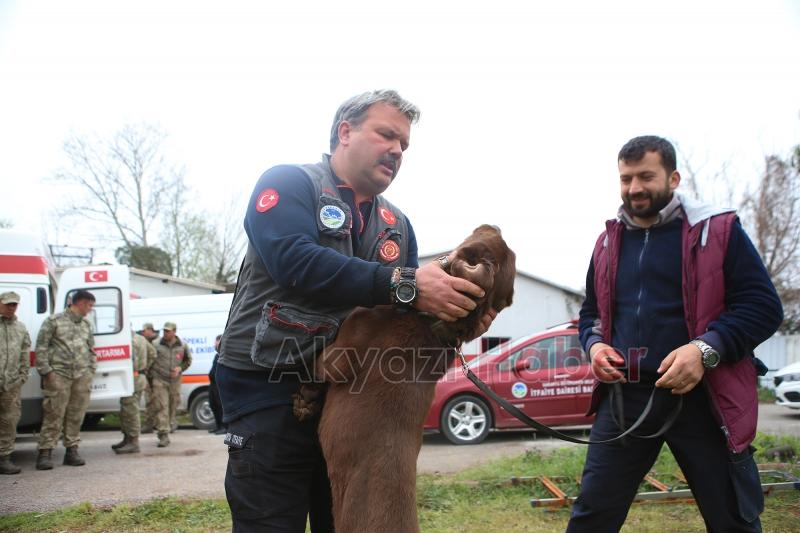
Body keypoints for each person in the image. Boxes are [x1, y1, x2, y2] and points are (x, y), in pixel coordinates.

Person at [217, 89, 494, 532]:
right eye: (387, 135)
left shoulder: (398, 226)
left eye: (404, 144)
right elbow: (294, 261)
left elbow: (403, 326)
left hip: (354, 405)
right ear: (345, 132)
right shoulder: (289, 183)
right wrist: (404, 284)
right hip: (267, 389)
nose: (397, 150)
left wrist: (458, 319)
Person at [567, 136, 783, 532]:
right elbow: (591, 315)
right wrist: (594, 346)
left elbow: (764, 308)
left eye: (646, 176)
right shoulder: (607, 242)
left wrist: (704, 350)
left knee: (733, 521)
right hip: (626, 400)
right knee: (591, 518)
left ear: (674, 178)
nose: (635, 188)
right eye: (626, 179)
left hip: (704, 397)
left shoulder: (718, 230)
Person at [35, 289, 97, 470]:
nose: (90, 309)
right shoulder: (53, 321)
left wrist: (91, 370)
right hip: (59, 375)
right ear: (81, 303)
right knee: (54, 413)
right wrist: (47, 372)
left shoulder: (86, 325)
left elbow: (91, 349)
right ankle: (45, 453)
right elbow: (41, 347)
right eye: (90, 305)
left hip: (81, 376)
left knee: (76, 414)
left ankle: (72, 451)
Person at [0, 291, 31, 475]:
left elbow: (25, 352)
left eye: (14, 304)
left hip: (11, 384)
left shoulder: (20, 328)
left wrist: (23, 376)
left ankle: (4, 458)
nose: (11, 308)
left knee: (9, 421)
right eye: (7, 304)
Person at [111, 330, 156, 454]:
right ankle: (127, 439)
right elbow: (153, 353)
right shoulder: (141, 338)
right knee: (126, 409)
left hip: (133, 378)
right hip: (137, 377)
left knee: (131, 410)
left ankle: (133, 442)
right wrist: (145, 367)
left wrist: (141, 367)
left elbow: (135, 359)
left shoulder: (129, 340)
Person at [149, 321, 192, 447]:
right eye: (164, 331)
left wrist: (180, 369)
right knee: (162, 406)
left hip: (175, 381)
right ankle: (163, 435)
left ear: (174, 332)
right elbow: (150, 360)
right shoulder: (156, 344)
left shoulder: (182, 345)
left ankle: (168, 424)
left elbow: (188, 360)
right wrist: (151, 376)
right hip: (159, 379)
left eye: (168, 331)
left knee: (173, 405)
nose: (165, 333)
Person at [140, 322, 158, 434]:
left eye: (144, 330)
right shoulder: (146, 341)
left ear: (150, 330)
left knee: (158, 402)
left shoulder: (156, 342)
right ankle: (151, 424)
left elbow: (153, 355)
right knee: (150, 401)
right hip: (150, 376)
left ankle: (156, 424)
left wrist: (146, 367)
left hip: (156, 376)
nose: (143, 332)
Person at [207, 334, 225, 434]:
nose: (214, 345)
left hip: (219, 385)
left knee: (220, 406)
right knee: (213, 405)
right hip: (213, 385)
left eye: (216, 343)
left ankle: (224, 427)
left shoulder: (224, 355)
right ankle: (218, 426)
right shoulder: (217, 355)